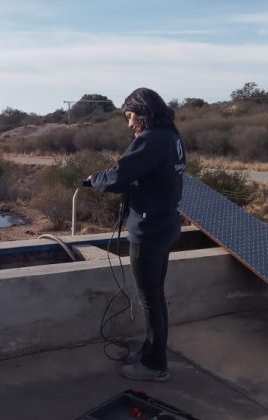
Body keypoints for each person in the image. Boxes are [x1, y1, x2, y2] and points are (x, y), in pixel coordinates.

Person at [87, 88, 186, 382]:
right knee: (156, 297)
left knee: (150, 300)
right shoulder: (171, 137)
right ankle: (151, 354)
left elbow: (118, 175)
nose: (129, 124)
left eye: (130, 117)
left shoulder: (151, 139)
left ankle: (154, 365)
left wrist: (95, 179)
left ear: (143, 113)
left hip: (149, 230)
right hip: (166, 224)